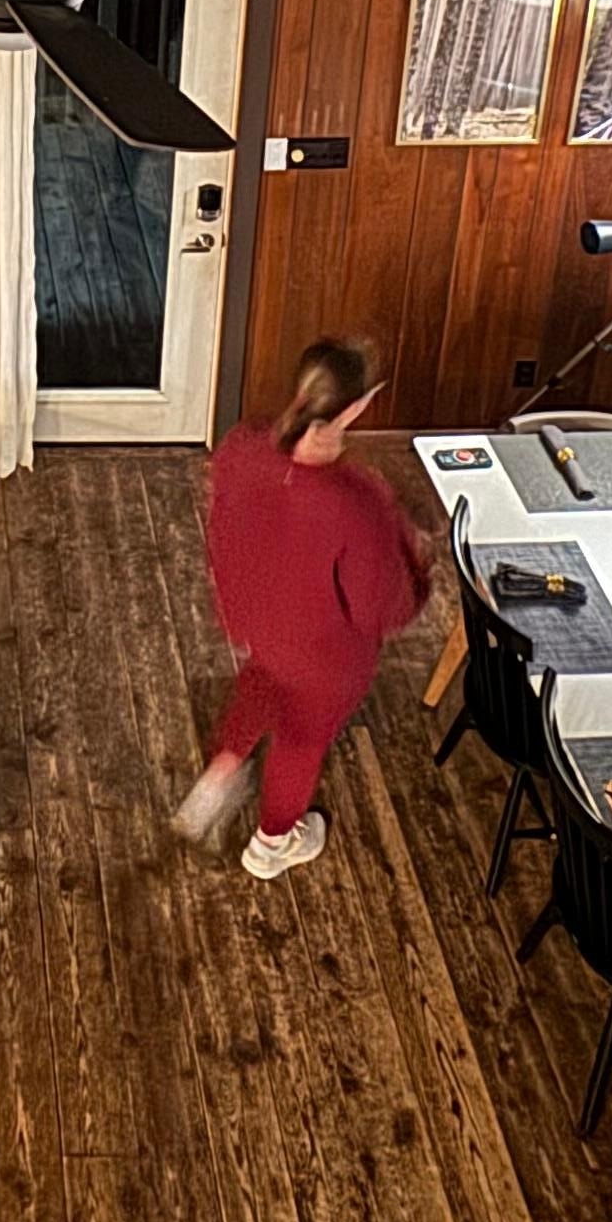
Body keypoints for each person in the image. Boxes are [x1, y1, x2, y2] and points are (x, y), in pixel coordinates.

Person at [175, 338, 432, 879]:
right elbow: (380, 608)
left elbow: (228, 531)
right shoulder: (356, 501)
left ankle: (220, 774)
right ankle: (272, 843)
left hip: (260, 622)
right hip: (327, 656)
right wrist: (417, 566)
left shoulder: (243, 449)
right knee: (301, 737)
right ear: (359, 407)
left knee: (263, 681)